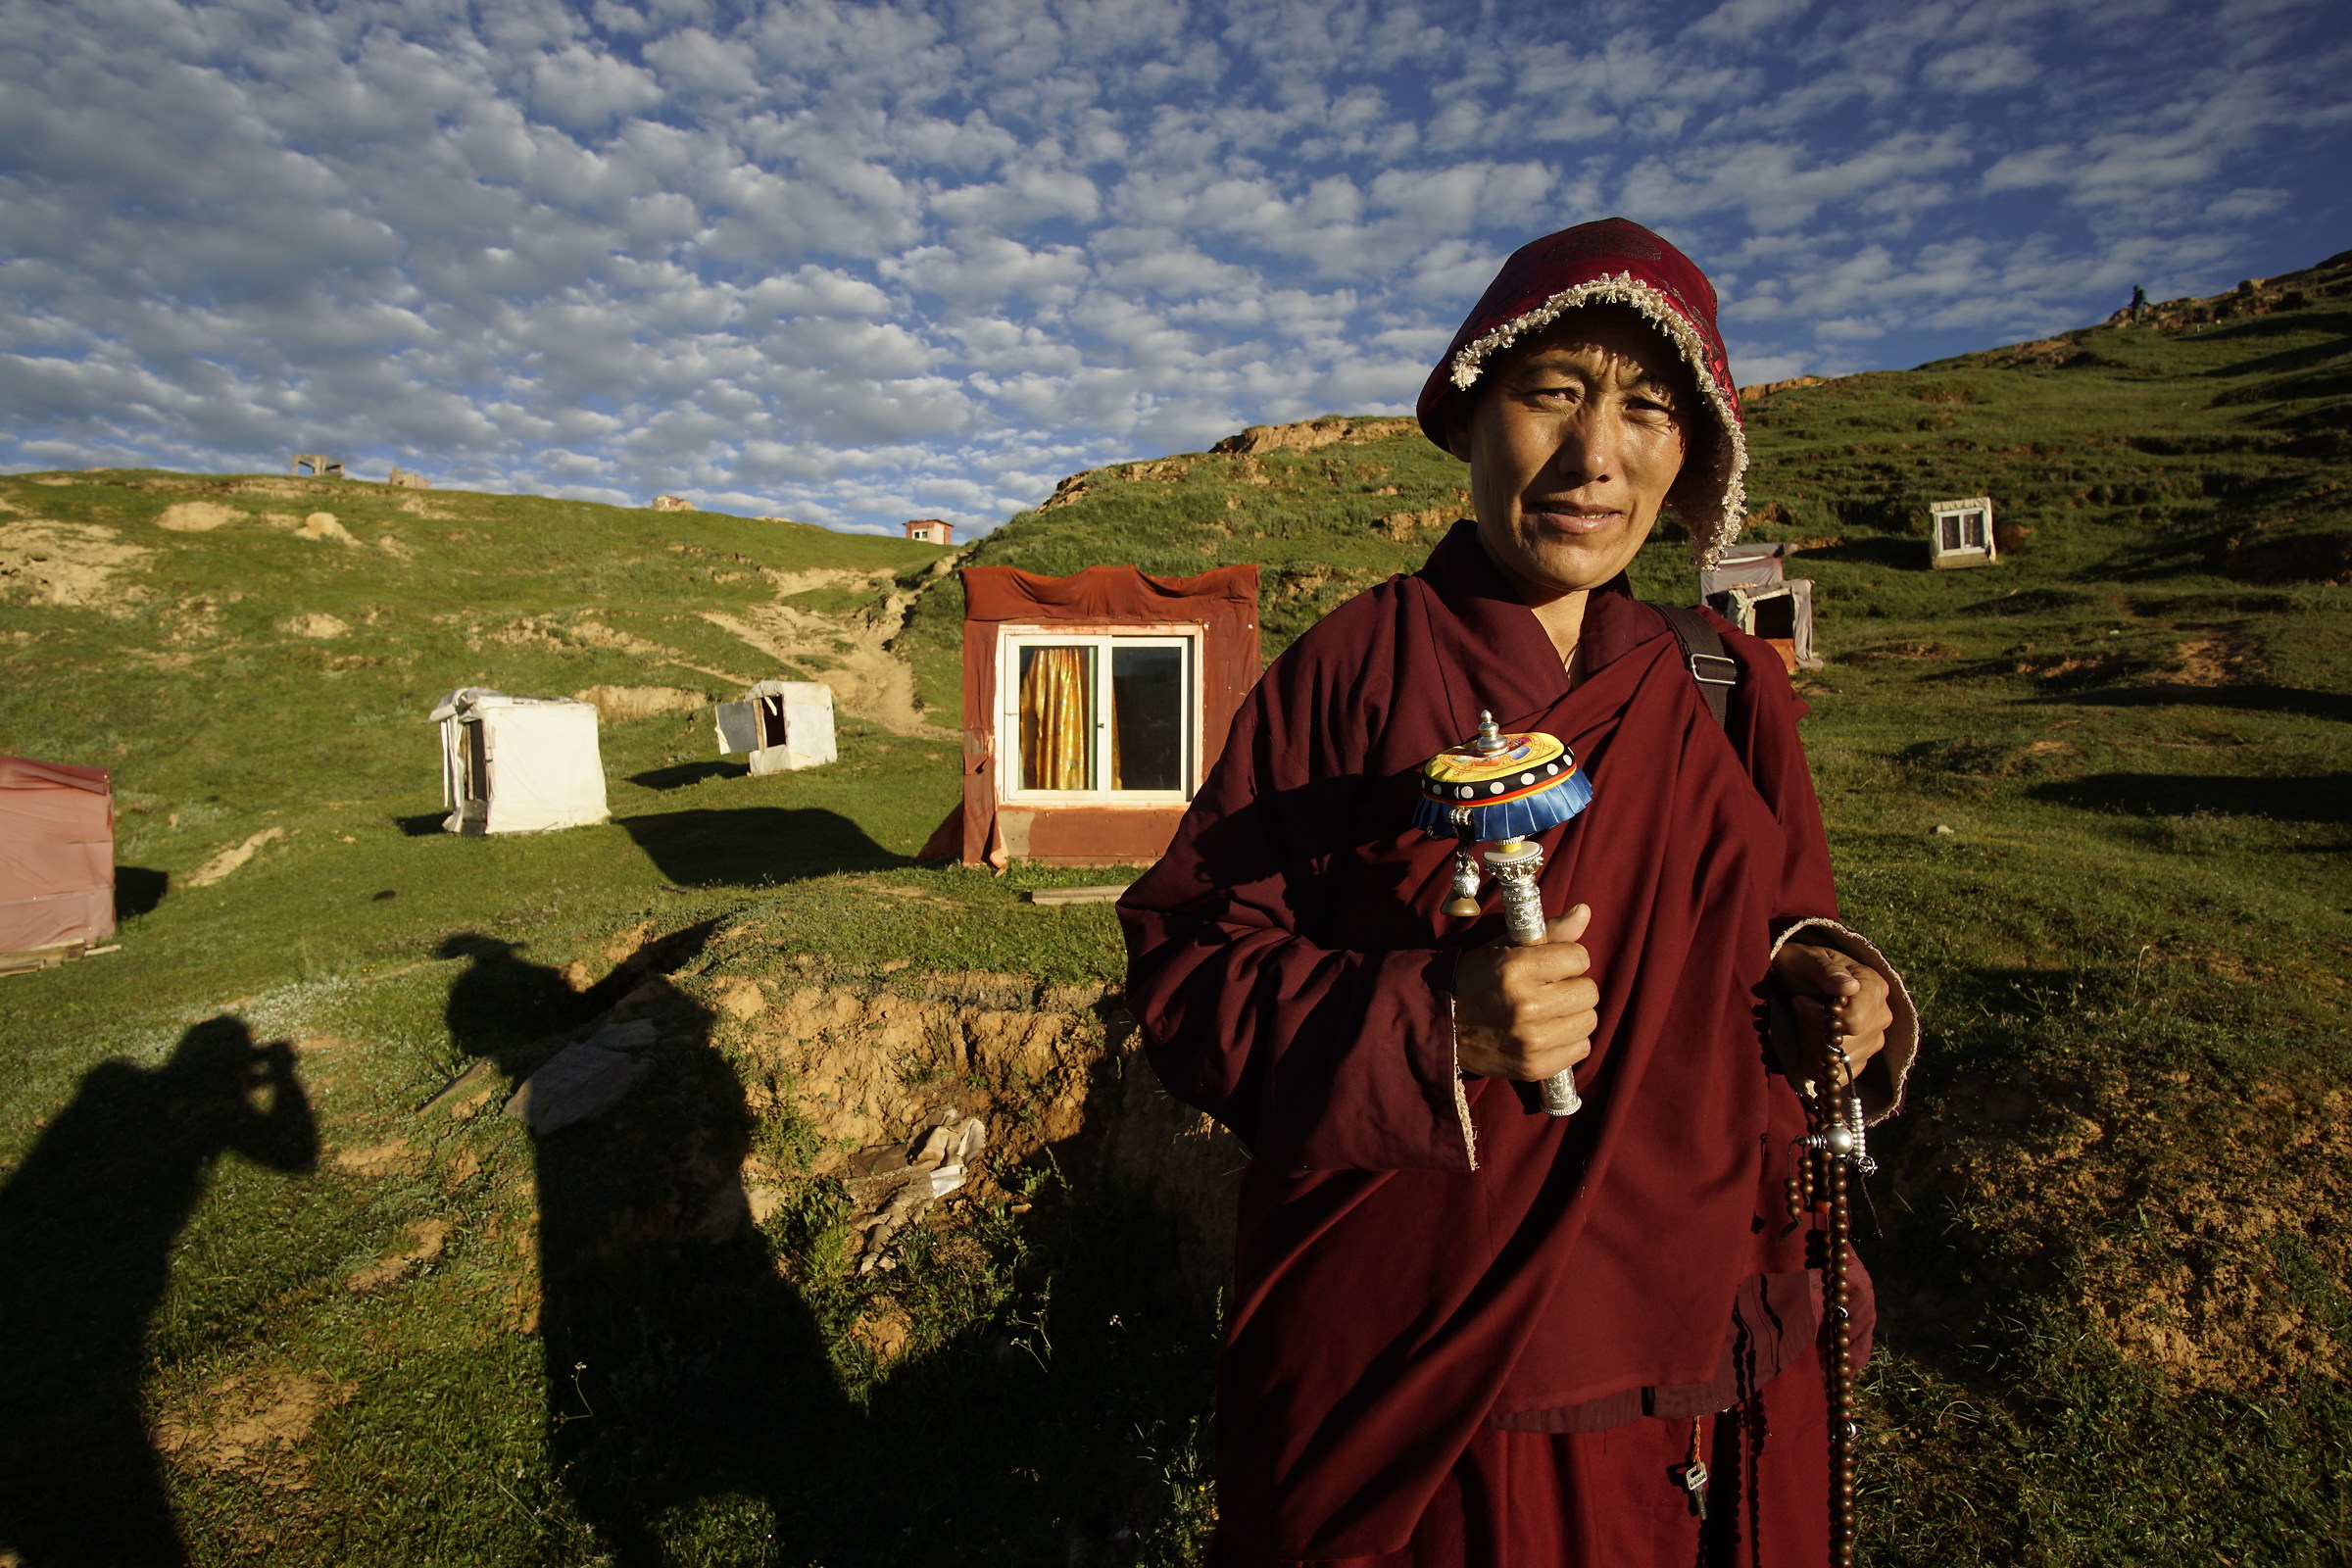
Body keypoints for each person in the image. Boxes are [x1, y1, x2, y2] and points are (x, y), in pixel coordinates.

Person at [1116, 218, 1920, 1567]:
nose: (1596, 455)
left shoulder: (1723, 684)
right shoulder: (1351, 672)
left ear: (1691, 454)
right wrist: (1434, 1026)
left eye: (1647, 410)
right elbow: (1189, 961)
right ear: (1473, 411)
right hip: (1445, 1374)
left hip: (1714, 1333)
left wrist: (1834, 990)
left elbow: (1785, 921)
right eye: (1554, 392)